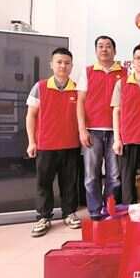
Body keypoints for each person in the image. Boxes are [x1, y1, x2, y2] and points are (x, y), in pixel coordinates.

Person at [26, 47, 82, 237]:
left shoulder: (77, 89)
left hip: (71, 145)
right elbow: (31, 115)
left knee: (69, 183)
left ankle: (69, 213)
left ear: (71, 66)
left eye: (67, 63)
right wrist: (31, 142)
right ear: (51, 64)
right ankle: (43, 217)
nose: (63, 66)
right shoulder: (40, 87)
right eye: (59, 62)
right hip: (46, 145)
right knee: (44, 183)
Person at [77, 35, 126, 219]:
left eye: (108, 46)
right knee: (91, 175)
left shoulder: (125, 72)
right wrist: (82, 130)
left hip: (116, 132)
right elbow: (80, 102)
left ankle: (109, 209)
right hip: (93, 131)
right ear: (96, 50)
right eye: (100, 46)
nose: (104, 49)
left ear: (115, 50)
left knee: (114, 176)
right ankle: (95, 211)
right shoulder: (87, 72)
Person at [112, 44, 140, 203]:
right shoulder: (122, 83)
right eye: (138, 58)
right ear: (132, 61)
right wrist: (117, 139)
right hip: (128, 140)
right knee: (127, 180)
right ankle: (129, 211)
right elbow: (116, 111)